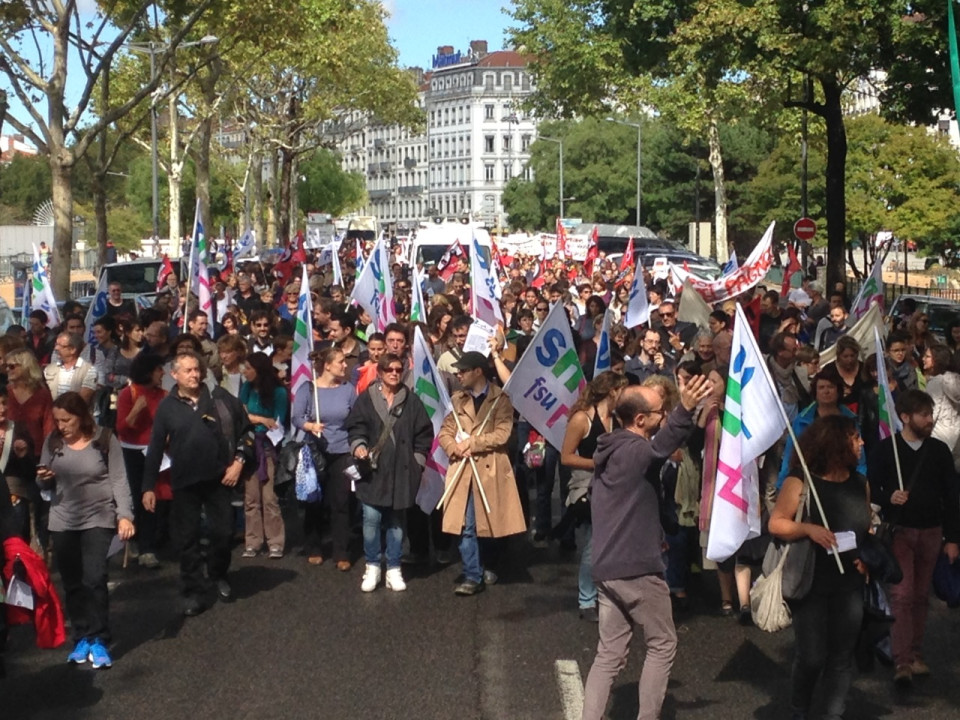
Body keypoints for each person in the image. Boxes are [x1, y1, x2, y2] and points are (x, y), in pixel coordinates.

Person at [581, 375, 711, 720]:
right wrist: (686, 409)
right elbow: (660, 447)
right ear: (640, 420)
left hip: (607, 568)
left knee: (609, 654)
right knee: (662, 643)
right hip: (636, 569)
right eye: (660, 412)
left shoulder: (610, 449)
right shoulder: (637, 450)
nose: (664, 415)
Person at [769, 415, 871, 720]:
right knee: (812, 656)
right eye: (855, 437)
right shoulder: (800, 481)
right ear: (836, 442)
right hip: (810, 581)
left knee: (842, 656)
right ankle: (799, 707)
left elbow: (867, 528)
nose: (862, 442)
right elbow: (776, 523)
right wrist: (807, 529)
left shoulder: (860, 483)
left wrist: (867, 557)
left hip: (850, 583)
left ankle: (832, 714)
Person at [142, 351, 253, 617]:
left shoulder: (220, 398)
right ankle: (192, 590)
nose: (194, 375)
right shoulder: (167, 408)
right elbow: (155, 448)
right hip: (185, 482)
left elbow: (246, 432)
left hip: (219, 478)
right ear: (174, 375)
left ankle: (218, 573)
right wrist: (148, 486)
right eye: (188, 370)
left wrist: (239, 462)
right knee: (188, 538)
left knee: (223, 533)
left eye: (196, 369)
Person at [866, 389, 960, 687]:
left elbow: (952, 496)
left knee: (920, 596)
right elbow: (871, 487)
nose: (930, 420)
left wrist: (953, 538)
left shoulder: (939, 451)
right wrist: (888, 497)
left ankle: (916, 653)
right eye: (923, 415)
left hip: (932, 531)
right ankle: (902, 660)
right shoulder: (886, 450)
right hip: (900, 532)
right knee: (902, 595)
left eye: (930, 414)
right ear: (905, 417)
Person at [36, 392, 135, 669]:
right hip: (63, 520)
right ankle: (81, 636)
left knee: (95, 577)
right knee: (72, 583)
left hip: (98, 518)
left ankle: (99, 638)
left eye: (66, 420)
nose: (61, 426)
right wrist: (44, 479)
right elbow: (42, 485)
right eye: (57, 421)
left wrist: (125, 516)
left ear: (81, 417)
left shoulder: (105, 439)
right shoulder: (53, 441)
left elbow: (119, 480)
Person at [438, 351, 526, 595]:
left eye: (463, 371)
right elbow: (445, 431)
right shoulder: (457, 400)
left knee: (489, 525)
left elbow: (503, 433)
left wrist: (472, 443)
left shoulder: (501, 399)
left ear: (478, 372)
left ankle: (490, 564)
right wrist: (453, 447)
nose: (459, 375)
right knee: (465, 525)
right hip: (463, 470)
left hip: (490, 470)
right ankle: (472, 575)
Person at [346, 353, 433, 592]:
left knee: (396, 522)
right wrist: (359, 445)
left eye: (398, 369)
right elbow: (356, 427)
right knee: (371, 519)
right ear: (380, 372)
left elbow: (424, 434)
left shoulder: (412, 401)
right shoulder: (366, 399)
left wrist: (417, 462)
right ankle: (373, 566)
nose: (394, 373)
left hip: (401, 471)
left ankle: (394, 567)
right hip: (373, 471)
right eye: (389, 370)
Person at [559, 371, 626, 622]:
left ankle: (607, 594)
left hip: (615, 487)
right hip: (589, 487)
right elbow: (566, 457)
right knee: (593, 545)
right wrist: (597, 463)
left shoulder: (618, 418)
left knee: (614, 545)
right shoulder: (582, 419)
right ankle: (587, 599)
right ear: (612, 392)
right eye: (622, 391)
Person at [291, 347, 356, 568]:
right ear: (327, 365)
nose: (345, 365)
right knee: (314, 500)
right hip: (315, 451)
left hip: (342, 451)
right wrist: (310, 426)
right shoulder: (308, 389)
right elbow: (297, 417)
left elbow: (355, 417)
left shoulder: (348, 389)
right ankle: (314, 546)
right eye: (340, 361)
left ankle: (341, 551)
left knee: (341, 502)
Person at [115, 353, 167, 569]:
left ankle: (149, 546)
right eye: (158, 369)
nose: (162, 373)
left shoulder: (164, 395)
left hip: (156, 452)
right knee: (136, 497)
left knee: (153, 497)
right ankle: (135, 540)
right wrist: (136, 410)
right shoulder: (128, 394)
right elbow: (121, 428)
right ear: (148, 372)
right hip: (132, 451)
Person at [239, 353, 288, 559]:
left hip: (268, 447)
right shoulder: (247, 388)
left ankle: (275, 541)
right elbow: (241, 415)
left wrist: (257, 420)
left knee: (269, 498)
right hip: (250, 446)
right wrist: (260, 419)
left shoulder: (279, 392)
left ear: (259, 370)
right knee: (251, 498)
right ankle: (253, 541)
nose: (245, 372)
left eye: (248, 368)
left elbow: (277, 422)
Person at [44, 332, 96, 404]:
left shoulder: (89, 371)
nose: (56, 348)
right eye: (56, 344)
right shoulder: (49, 369)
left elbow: (82, 400)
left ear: (73, 350)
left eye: (60, 346)